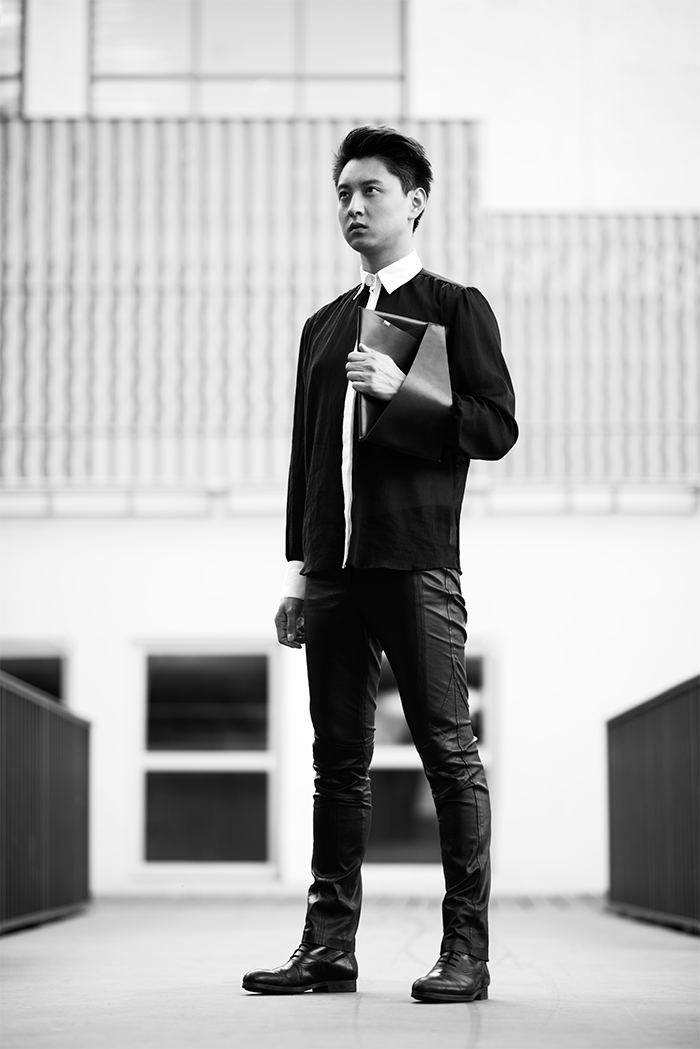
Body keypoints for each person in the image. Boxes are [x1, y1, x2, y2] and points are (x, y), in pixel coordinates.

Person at [242, 126, 518, 1003]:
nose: (354, 207)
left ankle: (465, 952)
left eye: (372, 191)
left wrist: (409, 393)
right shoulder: (322, 328)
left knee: (448, 753)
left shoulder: (454, 307)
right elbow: (307, 460)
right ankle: (328, 948)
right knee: (337, 762)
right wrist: (299, 571)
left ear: (416, 201)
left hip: (416, 565)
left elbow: (495, 427)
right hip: (332, 572)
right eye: (344, 194)